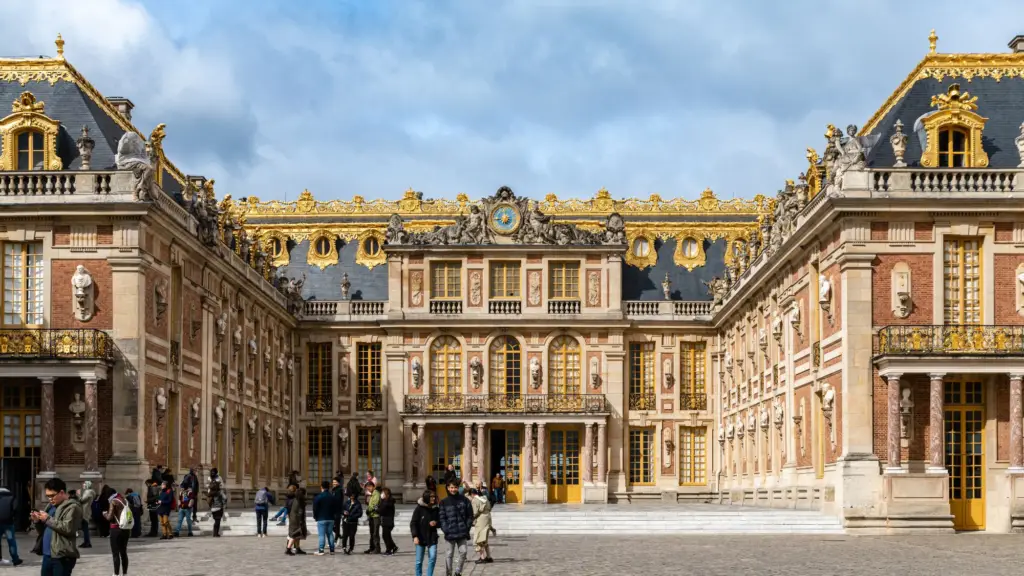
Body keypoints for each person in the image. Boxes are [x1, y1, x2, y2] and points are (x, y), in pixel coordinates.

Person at [34, 477, 82, 575]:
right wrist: (37, 521)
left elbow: (67, 528)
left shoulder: (72, 507)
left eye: (52, 496)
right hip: (47, 554)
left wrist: (47, 519)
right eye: (48, 496)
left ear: (61, 492)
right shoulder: (50, 506)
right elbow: (44, 530)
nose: (50, 499)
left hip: (62, 555)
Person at [438, 479, 473, 576]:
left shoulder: (465, 500)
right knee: (449, 554)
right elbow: (442, 517)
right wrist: (446, 529)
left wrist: (466, 527)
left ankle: (458, 571)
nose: (453, 489)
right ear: (448, 488)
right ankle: (448, 573)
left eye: (455, 487)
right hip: (450, 532)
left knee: (464, 552)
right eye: (451, 487)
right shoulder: (444, 502)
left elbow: (470, 515)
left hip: (462, 531)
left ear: (458, 488)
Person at [410, 490, 440, 576]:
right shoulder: (419, 508)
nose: (433, 498)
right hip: (420, 537)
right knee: (419, 561)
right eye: (431, 497)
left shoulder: (436, 509)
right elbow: (413, 523)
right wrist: (415, 536)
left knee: (433, 557)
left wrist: (436, 523)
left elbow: (441, 521)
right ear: (426, 497)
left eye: (434, 496)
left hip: (432, 536)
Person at [103, 491, 132, 576]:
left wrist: (104, 514)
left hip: (115, 529)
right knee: (123, 552)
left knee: (115, 553)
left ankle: (116, 573)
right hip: (126, 529)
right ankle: (125, 573)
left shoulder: (114, 501)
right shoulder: (126, 501)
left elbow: (110, 517)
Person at [312, 481, 336, 556]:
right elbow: (336, 507)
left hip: (321, 518)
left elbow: (315, 508)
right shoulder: (332, 496)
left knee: (321, 535)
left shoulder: (318, 497)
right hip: (331, 518)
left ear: (321, 487)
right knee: (330, 534)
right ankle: (332, 550)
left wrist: (315, 516)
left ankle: (321, 550)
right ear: (329, 487)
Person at [0, 485, 22, 566]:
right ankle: (15, 559)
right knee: (11, 541)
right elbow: (16, 509)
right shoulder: (12, 497)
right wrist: (14, 520)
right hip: (8, 523)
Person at [471, 488, 494, 564]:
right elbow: (490, 508)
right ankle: (489, 557)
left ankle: (482, 558)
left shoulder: (475, 500)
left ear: (472, 494)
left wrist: (470, 520)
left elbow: (475, 512)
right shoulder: (485, 499)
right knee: (485, 539)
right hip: (488, 518)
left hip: (481, 520)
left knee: (479, 539)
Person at [285, 486, 307, 555]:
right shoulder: (298, 500)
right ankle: (288, 549)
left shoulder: (292, 499)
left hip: (292, 517)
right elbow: (300, 511)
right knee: (294, 534)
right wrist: (301, 521)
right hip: (296, 519)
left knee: (296, 534)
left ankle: (297, 548)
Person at [340, 490, 362, 555]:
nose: (352, 496)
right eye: (351, 495)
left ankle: (351, 548)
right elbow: (341, 510)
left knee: (352, 536)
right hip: (346, 521)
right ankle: (344, 547)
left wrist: (351, 516)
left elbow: (360, 513)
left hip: (353, 522)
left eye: (353, 495)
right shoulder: (347, 502)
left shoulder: (358, 503)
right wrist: (344, 512)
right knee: (345, 535)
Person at [379, 487, 398, 556]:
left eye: (383, 493)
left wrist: (378, 509)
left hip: (388, 521)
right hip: (385, 521)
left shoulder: (388, 502)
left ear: (387, 494)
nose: (381, 494)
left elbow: (382, 510)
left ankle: (389, 550)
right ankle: (393, 547)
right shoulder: (384, 501)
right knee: (387, 536)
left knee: (386, 536)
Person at [365, 482, 381, 554]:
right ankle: (372, 548)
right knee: (372, 533)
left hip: (376, 516)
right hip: (371, 516)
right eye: (367, 487)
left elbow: (375, 504)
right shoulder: (371, 495)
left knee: (375, 533)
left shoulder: (376, 494)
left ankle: (377, 549)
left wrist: (369, 510)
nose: (368, 488)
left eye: (369, 487)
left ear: (373, 486)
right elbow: (370, 504)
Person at [77, 481, 95, 548]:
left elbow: (81, 500)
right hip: (86, 510)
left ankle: (87, 542)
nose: (83, 485)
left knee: (85, 528)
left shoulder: (88, 492)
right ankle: (86, 542)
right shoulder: (89, 492)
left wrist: (78, 494)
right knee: (85, 527)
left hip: (85, 511)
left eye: (84, 484)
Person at [330, 478, 344, 542]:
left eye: (335, 482)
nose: (334, 483)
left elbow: (338, 501)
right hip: (333, 510)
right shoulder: (334, 489)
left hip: (337, 510)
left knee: (337, 525)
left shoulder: (339, 490)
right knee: (333, 525)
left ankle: (336, 538)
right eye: (333, 482)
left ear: (338, 482)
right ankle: (338, 535)